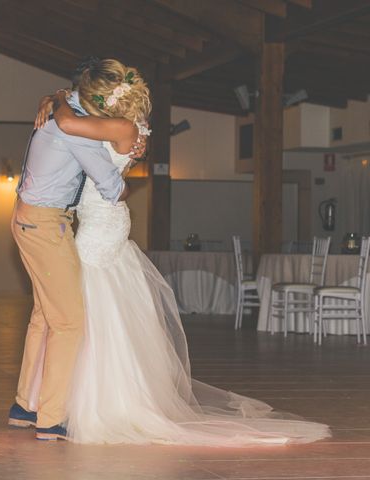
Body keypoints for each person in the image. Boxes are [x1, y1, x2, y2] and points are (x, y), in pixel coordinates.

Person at [35, 58, 331, 446]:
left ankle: (94, 405)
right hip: (104, 224)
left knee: (90, 314)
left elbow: (67, 123)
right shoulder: (129, 127)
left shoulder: (119, 127)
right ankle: (79, 400)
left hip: (99, 231)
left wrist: (57, 97)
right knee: (101, 315)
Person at [7, 58, 146, 441]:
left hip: (31, 219)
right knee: (69, 323)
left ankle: (25, 404)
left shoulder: (68, 112)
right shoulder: (77, 128)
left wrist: (54, 97)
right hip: (46, 225)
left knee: (44, 316)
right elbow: (110, 187)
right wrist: (124, 177)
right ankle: (50, 419)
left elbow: (67, 108)